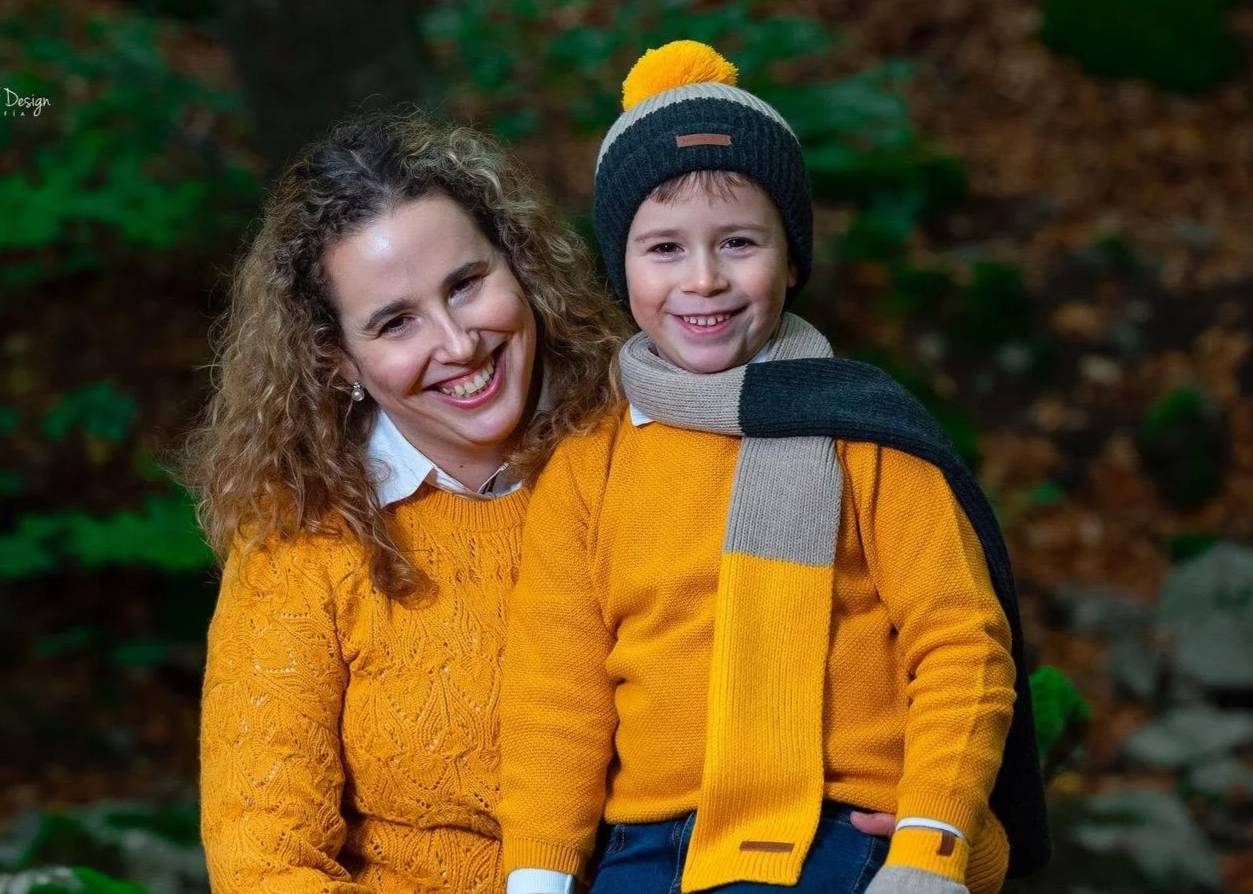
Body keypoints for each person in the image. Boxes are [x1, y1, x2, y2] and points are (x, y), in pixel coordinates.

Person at [498, 41, 1049, 894]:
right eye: (664, 249)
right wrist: (536, 878)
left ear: (790, 259)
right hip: (641, 851)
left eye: (739, 242)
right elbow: (555, 700)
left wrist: (932, 840)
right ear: (622, 268)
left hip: (832, 831)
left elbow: (960, 643)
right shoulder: (589, 464)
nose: (704, 280)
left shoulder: (863, 433)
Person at [186, 109, 631, 894]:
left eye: (466, 285)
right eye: (396, 322)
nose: (458, 345)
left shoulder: (642, 450)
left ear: (519, 265)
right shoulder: (304, 542)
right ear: (337, 361)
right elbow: (266, 865)